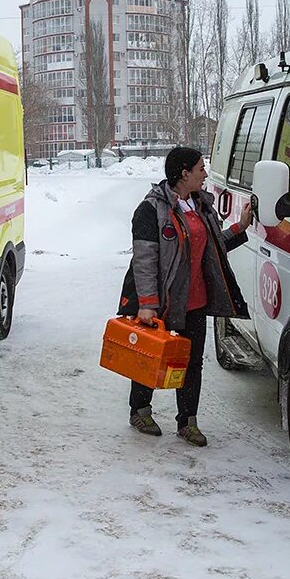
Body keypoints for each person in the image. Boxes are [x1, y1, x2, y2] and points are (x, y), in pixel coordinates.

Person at [116, 147, 251, 446]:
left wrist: (240, 228)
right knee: (150, 357)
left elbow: (213, 246)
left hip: (195, 300)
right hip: (162, 302)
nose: (205, 173)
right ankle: (139, 411)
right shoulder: (151, 209)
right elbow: (145, 261)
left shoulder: (201, 206)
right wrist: (148, 305)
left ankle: (188, 422)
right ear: (184, 173)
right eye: (201, 168)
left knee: (192, 363)